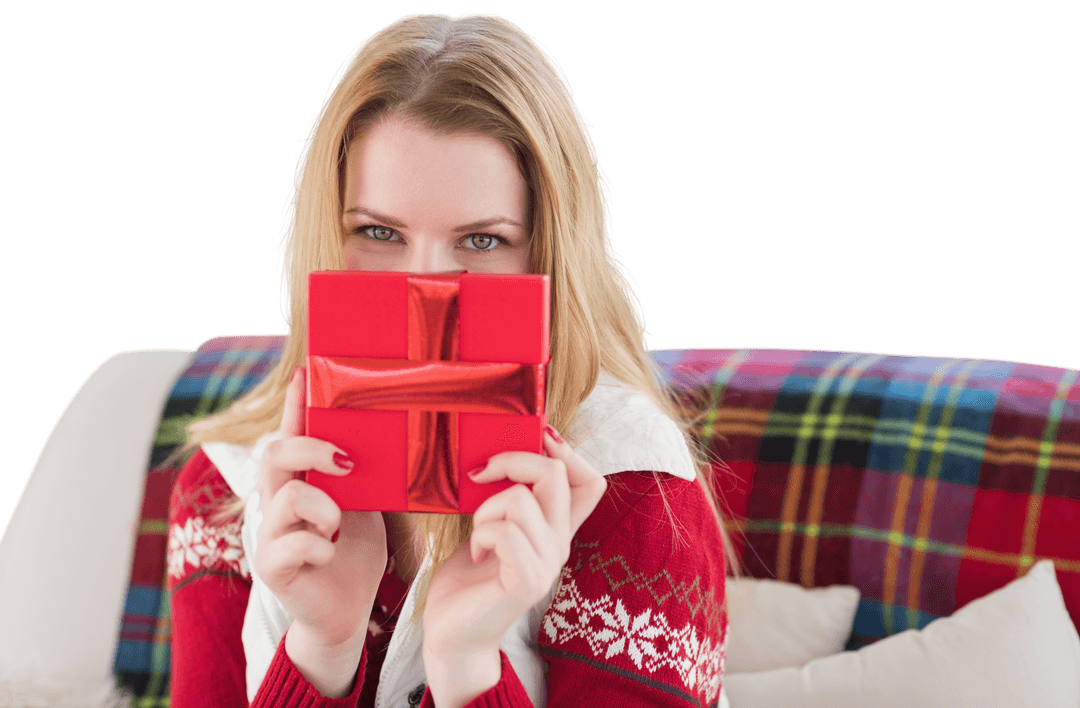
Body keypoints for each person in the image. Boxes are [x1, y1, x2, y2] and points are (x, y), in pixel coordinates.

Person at [167, 13, 734, 708]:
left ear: (547, 256)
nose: (423, 288)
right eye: (379, 232)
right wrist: (322, 650)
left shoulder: (637, 498)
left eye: (482, 241)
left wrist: (467, 664)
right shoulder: (226, 490)